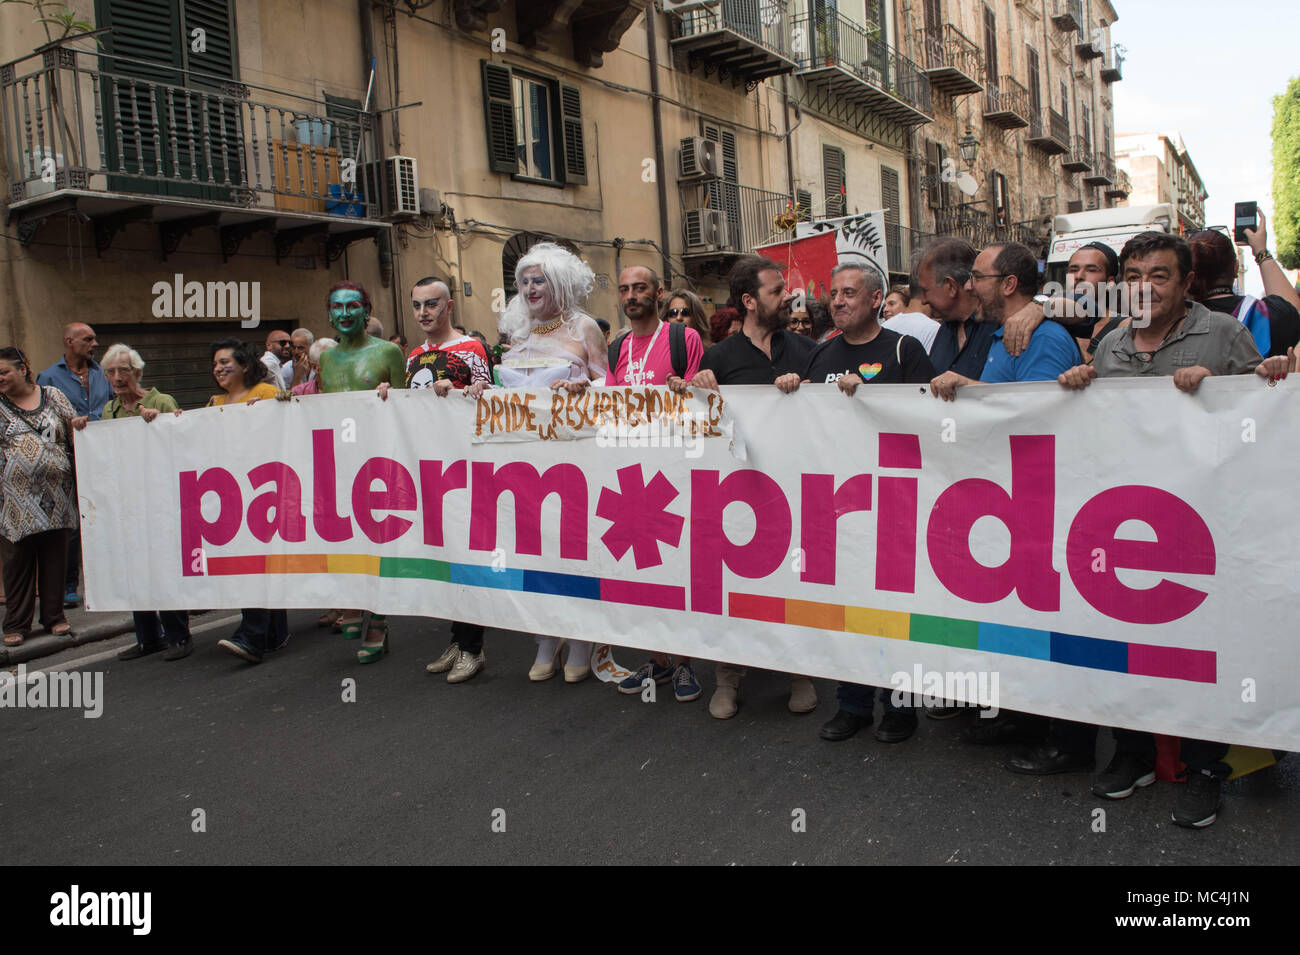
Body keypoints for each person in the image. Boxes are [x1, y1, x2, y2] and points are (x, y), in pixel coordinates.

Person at [1052, 231, 1289, 828]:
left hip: (1203, 527)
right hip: (1125, 524)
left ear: (1187, 283)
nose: (1144, 286)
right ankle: (1133, 751)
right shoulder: (1106, 345)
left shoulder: (1222, 334)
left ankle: (1207, 765)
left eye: (1159, 275)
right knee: (1126, 641)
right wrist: (1079, 388)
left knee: (1201, 645)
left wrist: (1260, 379)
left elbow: (1265, 413)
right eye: (1133, 274)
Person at [775, 261, 936, 744]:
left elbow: (932, 417)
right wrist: (789, 393)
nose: (838, 302)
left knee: (892, 610)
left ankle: (900, 707)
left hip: (895, 502)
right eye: (835, 294)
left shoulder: (904, 350)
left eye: (849, 293)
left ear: (874, 300)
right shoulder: (819, 355)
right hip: (838, 507)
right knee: (846, 608)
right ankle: (853, 704)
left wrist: (875, 397)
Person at [668, 255, 818, 719]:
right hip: (737, 494)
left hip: (794, 489)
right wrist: (694, 387)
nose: (786, 296)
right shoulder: (719, 359)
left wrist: (810, 387)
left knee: (792, 581)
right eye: (776, 291)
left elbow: (830, 411)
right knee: (732, 585)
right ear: (749, 301)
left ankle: (799, 672)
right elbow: (699, 424)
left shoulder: (805, 350)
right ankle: (728, 678)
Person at [465, 242, 608, 683]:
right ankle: (546, 638)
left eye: (538, 278)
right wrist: (479, 393)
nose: (529, 287)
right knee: (537, 549)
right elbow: (510, 396)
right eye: (524, 280)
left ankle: (582, 640)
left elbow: (612, 386)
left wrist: (587, 385)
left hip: (574, 459)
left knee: (575, 550)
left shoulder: (585, 327)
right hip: (524, 463)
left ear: (559, 283)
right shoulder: (517, 330)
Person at [595, 266, 705, 702]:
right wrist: (576, 391)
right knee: (645, 570)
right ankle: (658, 660)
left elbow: (701, 396)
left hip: (676, 470)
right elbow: (609, 400)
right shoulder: (617, 346)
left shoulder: (684, 339)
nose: (631, 295)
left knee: (680, 569)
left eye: (640, 288)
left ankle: (684, 664)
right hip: (633, 474)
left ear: (657, 293)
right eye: (624, 289)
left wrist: (687, 386)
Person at [388, 276, 493, 684]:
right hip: (429, 468)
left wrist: (470, 387)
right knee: (444, 556)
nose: (422, 313)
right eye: (416, 305)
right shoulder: (413, 355)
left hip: (465, 467)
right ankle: (457, 636)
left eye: (431, 304)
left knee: (467, 556)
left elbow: (491, 395)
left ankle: (473, 647)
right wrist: (388, 395)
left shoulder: (471, 348)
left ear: (449, 306)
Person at [74, 344, 191, 660]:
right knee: (135, 566)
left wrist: (159, 422)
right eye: (110, 371)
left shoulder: (161, 401)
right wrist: (86, 429)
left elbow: (181, 443)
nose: (116, 377)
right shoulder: (110, 411)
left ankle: (178, 635)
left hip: (161, 499)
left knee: (163, 567)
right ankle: (148, 637)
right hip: (128, 501)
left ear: (137, 373)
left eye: (123, 371)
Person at [317, 281, 407, 664]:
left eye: (353, 306)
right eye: (337, 307)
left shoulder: (388, 351)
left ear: (366, 311)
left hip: (381, 461)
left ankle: (379, 622)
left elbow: (408, 412)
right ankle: (354, 600)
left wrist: (392, 396)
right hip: (341, 459)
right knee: (347, 538)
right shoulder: (325, 359)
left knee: (381, 542)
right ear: (330, 315)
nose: (345, 313)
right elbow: (322, 410)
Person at [196, 339, 290, 664]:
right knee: (252, 563)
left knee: (255, 563)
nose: (219, 369)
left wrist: (284, 404)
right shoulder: (214, 402)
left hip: (264, 491)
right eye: (215, 364)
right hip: (230, 494)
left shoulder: (264, 394)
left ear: (245, 365)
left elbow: (287, 428)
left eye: (225, 362)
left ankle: (251, 637)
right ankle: (274, 633)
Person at [930, 241, 1080, 401]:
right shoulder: (1004, 333)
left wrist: (967, 386)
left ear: (1009, 285)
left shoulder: (1043, 338)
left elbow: (1039, 409)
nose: (968, 286)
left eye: (977, 277)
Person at [0, 347, 78, 645]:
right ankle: (17, 624)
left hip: (57, 496)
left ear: (23, 368)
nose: (0, 378)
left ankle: (54, 618)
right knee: (17, 562)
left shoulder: (53, 396)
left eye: (4, 371)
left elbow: (72, 435)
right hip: (14, 501)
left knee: (54, 557)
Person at [37, 322, 111, 609]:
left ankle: (105, 578)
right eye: (87, 339)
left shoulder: (102, 373)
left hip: (104, 457)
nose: (94, 344)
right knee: (73, 524)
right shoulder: (49, 377)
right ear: (69, 341)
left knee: (104, 517)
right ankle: (70, 586)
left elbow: (114, 405)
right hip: (69, 459)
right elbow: (42, 422)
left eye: (94, 339)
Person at [1188, 215, 1300, 358]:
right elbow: (1292, 308)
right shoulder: (1268, 313)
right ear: (1236, 268)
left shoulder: (1174, 321)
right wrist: (1261, 251)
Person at [880, 275, 940, 351]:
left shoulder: (932, 328)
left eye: (892, 304)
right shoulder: (933, 328)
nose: (885, 309)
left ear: (906, 303)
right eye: (884, 306)